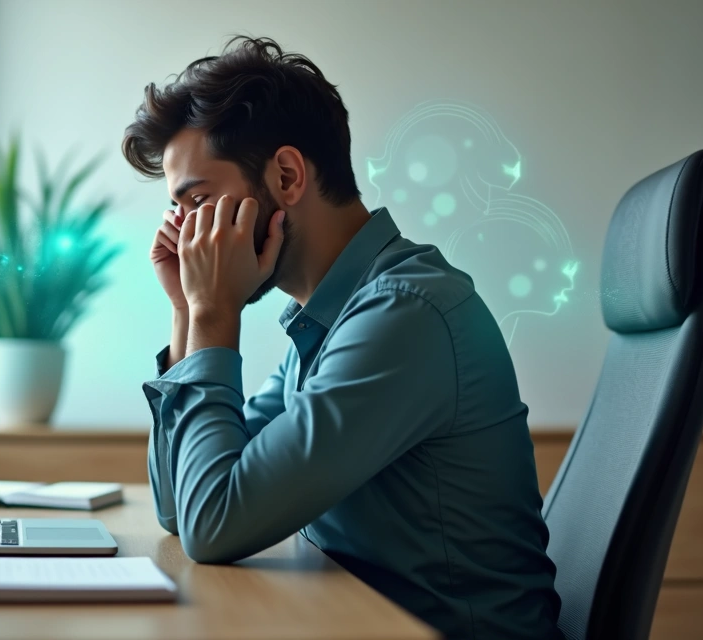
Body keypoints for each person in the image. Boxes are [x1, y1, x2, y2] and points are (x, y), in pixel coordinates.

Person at [121, 36, 562, 639]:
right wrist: (186, 312)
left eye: (197, 201)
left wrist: (213, 311)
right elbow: (182, 505)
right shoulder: (332, 324)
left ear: (286, 175)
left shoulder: (404, 317)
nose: (186, 232)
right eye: (179, 211)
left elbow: (212, 523)